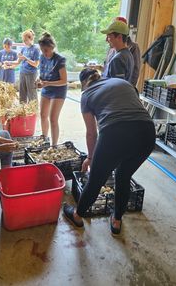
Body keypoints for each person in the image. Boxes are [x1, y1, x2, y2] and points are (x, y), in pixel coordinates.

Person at [63, 68, 155, 235]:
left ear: (84, 84)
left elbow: (91, 132)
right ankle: (117, 220)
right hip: (147, 133)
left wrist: (90, 158)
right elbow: (133, 105)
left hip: (115, 133)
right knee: (123, 175)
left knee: (96, 179)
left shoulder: (87, 94)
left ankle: (77, 215)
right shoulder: (122, 83)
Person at [37, 32, 67, 146]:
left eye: (46, 50)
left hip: (58, 90)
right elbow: (41, 74)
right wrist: (38, 80)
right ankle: (44, 139)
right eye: (42, 50)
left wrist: (47, 83)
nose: (44, 53)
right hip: (46, 88)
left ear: (52, 47)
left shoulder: (60, 59)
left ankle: (54, 145)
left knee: (53, 118)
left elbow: (64, 81)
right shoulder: (42, 57)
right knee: (43, 115)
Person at [18, 29, 40, 103]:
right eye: (23, 40)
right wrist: (9, 63)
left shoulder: (36, 49)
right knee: (22, 94)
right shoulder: (23, 49)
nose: (24, 42)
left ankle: (33, 111)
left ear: (31, 38)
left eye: (26, 40)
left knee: (32, 94)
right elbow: (18, 62)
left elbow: (36, 64)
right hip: (22, 72)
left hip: (31, 74)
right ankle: (22, 110)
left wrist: (26, 58)